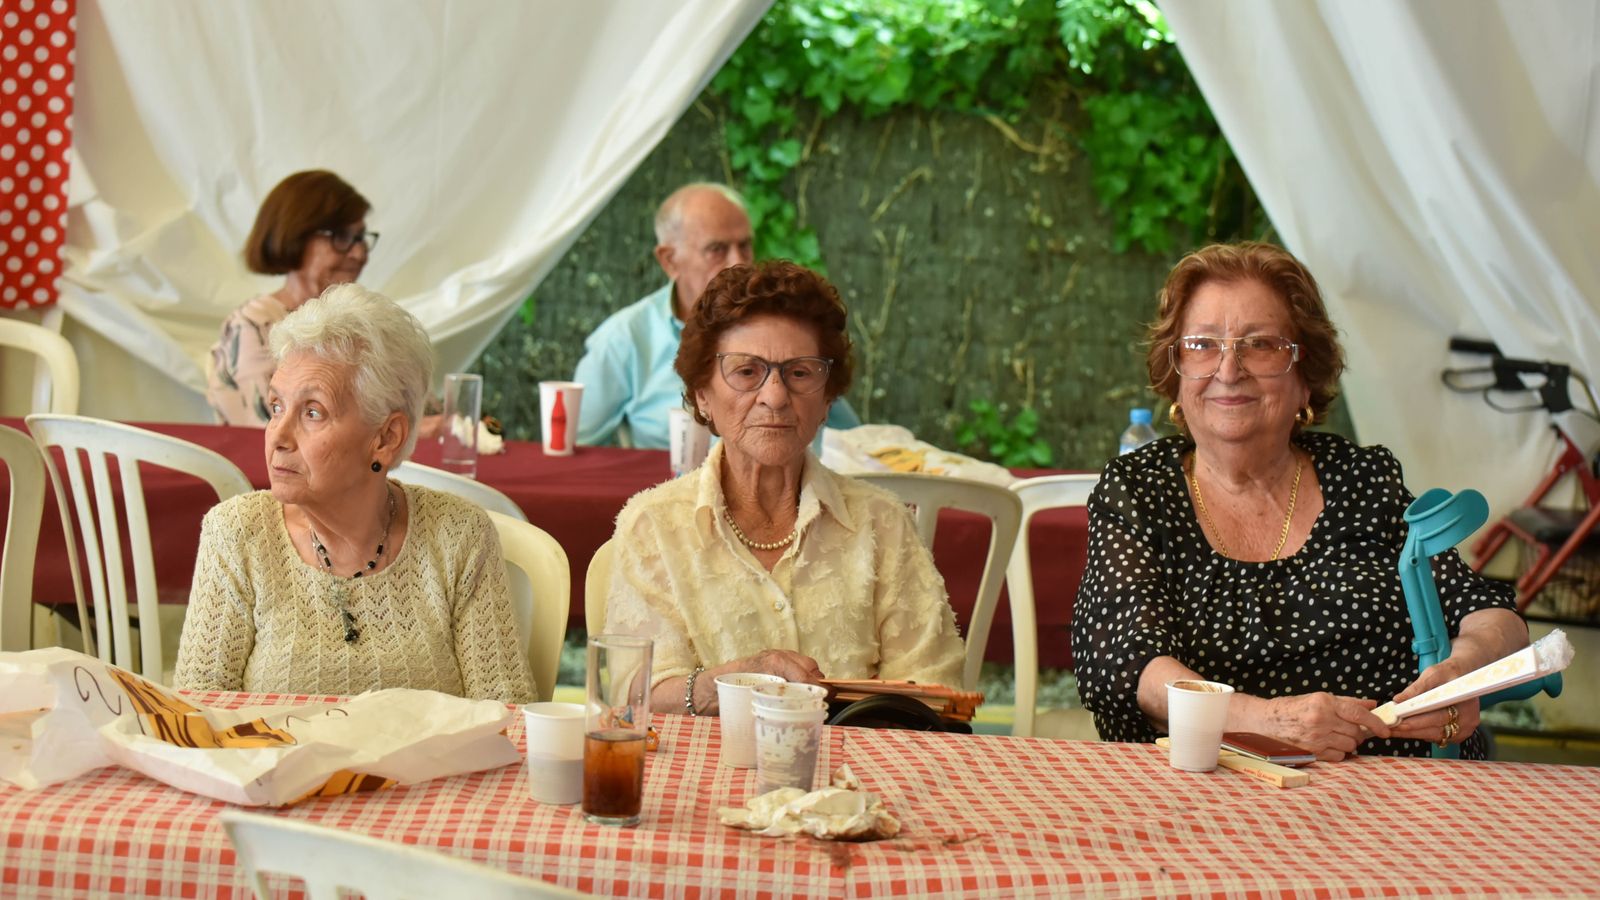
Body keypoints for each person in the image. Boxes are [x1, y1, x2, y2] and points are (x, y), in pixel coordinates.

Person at [1072, 242, 1527, 760]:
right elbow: (1123, 662)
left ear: (1304, 378)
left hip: (1388, 800)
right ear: (1175, 373)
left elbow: (1492, 615)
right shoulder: (1139, 489)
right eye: (1202, 345)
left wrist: (1460, 678)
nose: (1228, 369)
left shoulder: (1362, 480)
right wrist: (1264, 722)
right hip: (1205, 794)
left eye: (1260, 344)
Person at [603, 260, 964, 714]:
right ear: (701, 394)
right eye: (746, 371)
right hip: (705, 780)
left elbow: (934, 689)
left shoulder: (883, 524)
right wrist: (743, 679)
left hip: (859, 779)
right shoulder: (654, 526)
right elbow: (637, 698)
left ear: (828, 398)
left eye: (799, 373)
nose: (774, 396)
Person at [176, 284, 535, 703]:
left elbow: (507, 714)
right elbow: (195, 714)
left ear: (385, 437)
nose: (278, 436)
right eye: (276, 407)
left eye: (312, 412)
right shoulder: (237, 533)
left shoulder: (459, 536)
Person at [572, 183, 861, 448]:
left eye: (744, 245)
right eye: (717, 249)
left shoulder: (786, 328)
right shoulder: (624, 339)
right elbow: (576, 448)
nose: (738, 262)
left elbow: (853, 440)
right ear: (669, 260)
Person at [208, 170, 378, 426]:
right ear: (296, 235)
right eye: (342, 238)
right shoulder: (254, 326)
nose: (358, 254)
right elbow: (278, 429)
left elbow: (423, 408)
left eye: (360, 238)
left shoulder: (366, 322)